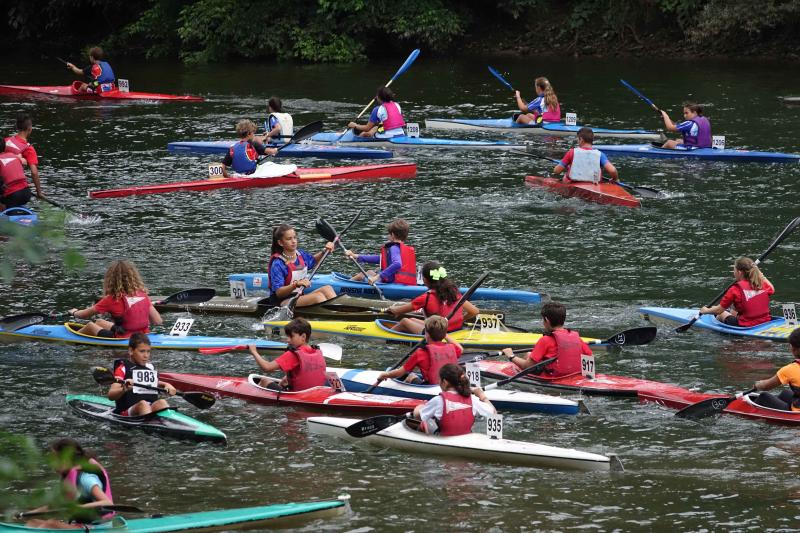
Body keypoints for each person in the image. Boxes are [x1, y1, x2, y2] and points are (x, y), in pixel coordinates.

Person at [23, 438, 114, 529]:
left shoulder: (86, 479)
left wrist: (80, 507)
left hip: (98, 527)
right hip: (81, 525)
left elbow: (107, 503)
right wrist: (26, 514)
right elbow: (53, 507)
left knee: (51, 524)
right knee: (32, 522)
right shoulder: (69, 477)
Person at [68, 260, 162, 338]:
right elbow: (158, 321)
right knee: (99, 322)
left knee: (90, 326)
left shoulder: (111, 299)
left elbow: (83, 315)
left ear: (111, 279)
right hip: (143, 335)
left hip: (123, 337)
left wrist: (74, 312)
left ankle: (72, 340)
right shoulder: (143, 295)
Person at [501, 301, 592, 378]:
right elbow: (589, 356)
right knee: (529, 354)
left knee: (527, 357)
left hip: (552, 378)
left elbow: (527, 366)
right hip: (573, 375)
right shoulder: (577, 338)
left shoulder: (545, 340)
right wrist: (587, 378)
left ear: (547, 320)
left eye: (543, 320)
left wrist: (511, 356)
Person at [388, 261, 479, 334]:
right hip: (456, 329)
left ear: (425, 280)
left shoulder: (426, 297)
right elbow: (475, 311)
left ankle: (386, 337)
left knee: (404, 321)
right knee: (412, 320)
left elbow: (398, 311)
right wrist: (460, 319)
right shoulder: (454, 292)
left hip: (437, 333)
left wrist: (392, 309)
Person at [412, 363, 495, 436]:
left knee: (425, 424)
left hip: (444, 442)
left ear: (445, 382)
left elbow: (418, 416)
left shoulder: (438, 400)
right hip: (466, 440)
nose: (439, 382)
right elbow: (494, 413)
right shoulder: (473, 400)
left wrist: (419, 407)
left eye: (439, 380)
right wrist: (482, 396)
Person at [377, 315, 464, 385]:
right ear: (444, 334)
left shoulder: (420, 353)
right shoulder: (452, 348)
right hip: (450, 385)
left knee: (410, 376)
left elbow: (399, 373)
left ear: (426, 334)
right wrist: (444, 334)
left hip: (430, 387)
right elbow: (460, 349)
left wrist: (385, 375)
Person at [247, 318, 327, 391]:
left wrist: (254, 352)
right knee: (285, 381)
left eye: (291, 337)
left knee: (264, 381)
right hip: (314, 394)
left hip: (297, 396)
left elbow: (267, 367)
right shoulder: (316, 351)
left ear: (303, 337)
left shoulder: (293, 354)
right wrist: (288, 378)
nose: (288, 340)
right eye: (287, 336)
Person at [267, 224, 336, 307]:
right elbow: (279, 293)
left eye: (295, 237)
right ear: (280, 243)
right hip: (282, 301)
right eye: (289, 239)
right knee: (318, 297)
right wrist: (296, 284)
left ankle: (338, 311)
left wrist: (325, 251)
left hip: (298, 296)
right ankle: (331, 315)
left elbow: (313, 261)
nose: (293, 241)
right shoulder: (278, 263)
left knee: (328, 289)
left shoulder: (301, 254)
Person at [108, 333, 176, 416]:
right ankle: (150, 426)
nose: (146, 356)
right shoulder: (123, 368)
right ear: (131, 351)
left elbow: (154, 383)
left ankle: (170, 424)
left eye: (148, 351)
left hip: (148, 407)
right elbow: (111, 395)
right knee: (143, 404)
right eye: (142, 351)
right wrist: (124, 389)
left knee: (162, 402)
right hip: (126, 411)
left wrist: (166, 385)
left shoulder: (150, 367)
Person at [699, 256, 774, 327]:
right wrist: (760, 274)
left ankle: (719, 327)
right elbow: (772, 289)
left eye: (734, 270)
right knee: (734, 307)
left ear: (740, 272)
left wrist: (706, 310)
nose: (733, 273)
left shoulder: (735, 289)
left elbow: (719, 310)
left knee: (721, 313)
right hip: (765, 321)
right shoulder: (761, 283)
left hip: (746, 325)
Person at [344, 218, 416, 285]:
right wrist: (355, 256)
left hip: (392, 283)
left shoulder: (394, 248)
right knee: (370, 272)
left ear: (393, 235)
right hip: (404, 282)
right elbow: (380, 259)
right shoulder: (401, 248)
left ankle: (343, 286)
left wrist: (378, 277)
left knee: (361, 275)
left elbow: (397, 264)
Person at [752, 329, 800, 411]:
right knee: (785, 393)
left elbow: (765, 386)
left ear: (794, 349)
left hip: (797, 412)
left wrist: (757, 385)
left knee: (764, 396)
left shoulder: (789, 369)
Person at [2, 113, 43, 207]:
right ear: (29, 129)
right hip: (23, 191)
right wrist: (39, 192)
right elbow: (34, 172)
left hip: (5, 188)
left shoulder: (5, 141)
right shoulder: (29, 149)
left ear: (17, 127)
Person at [553, 127, 618, 183]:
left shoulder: (571, 152)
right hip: (594, 185)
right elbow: (613, 170)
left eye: (578, 139)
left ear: (581, 139)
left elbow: (556, 171)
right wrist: (614, 179)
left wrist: (567, 166)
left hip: (573, 184)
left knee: (565, 177)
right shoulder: (600, 154)